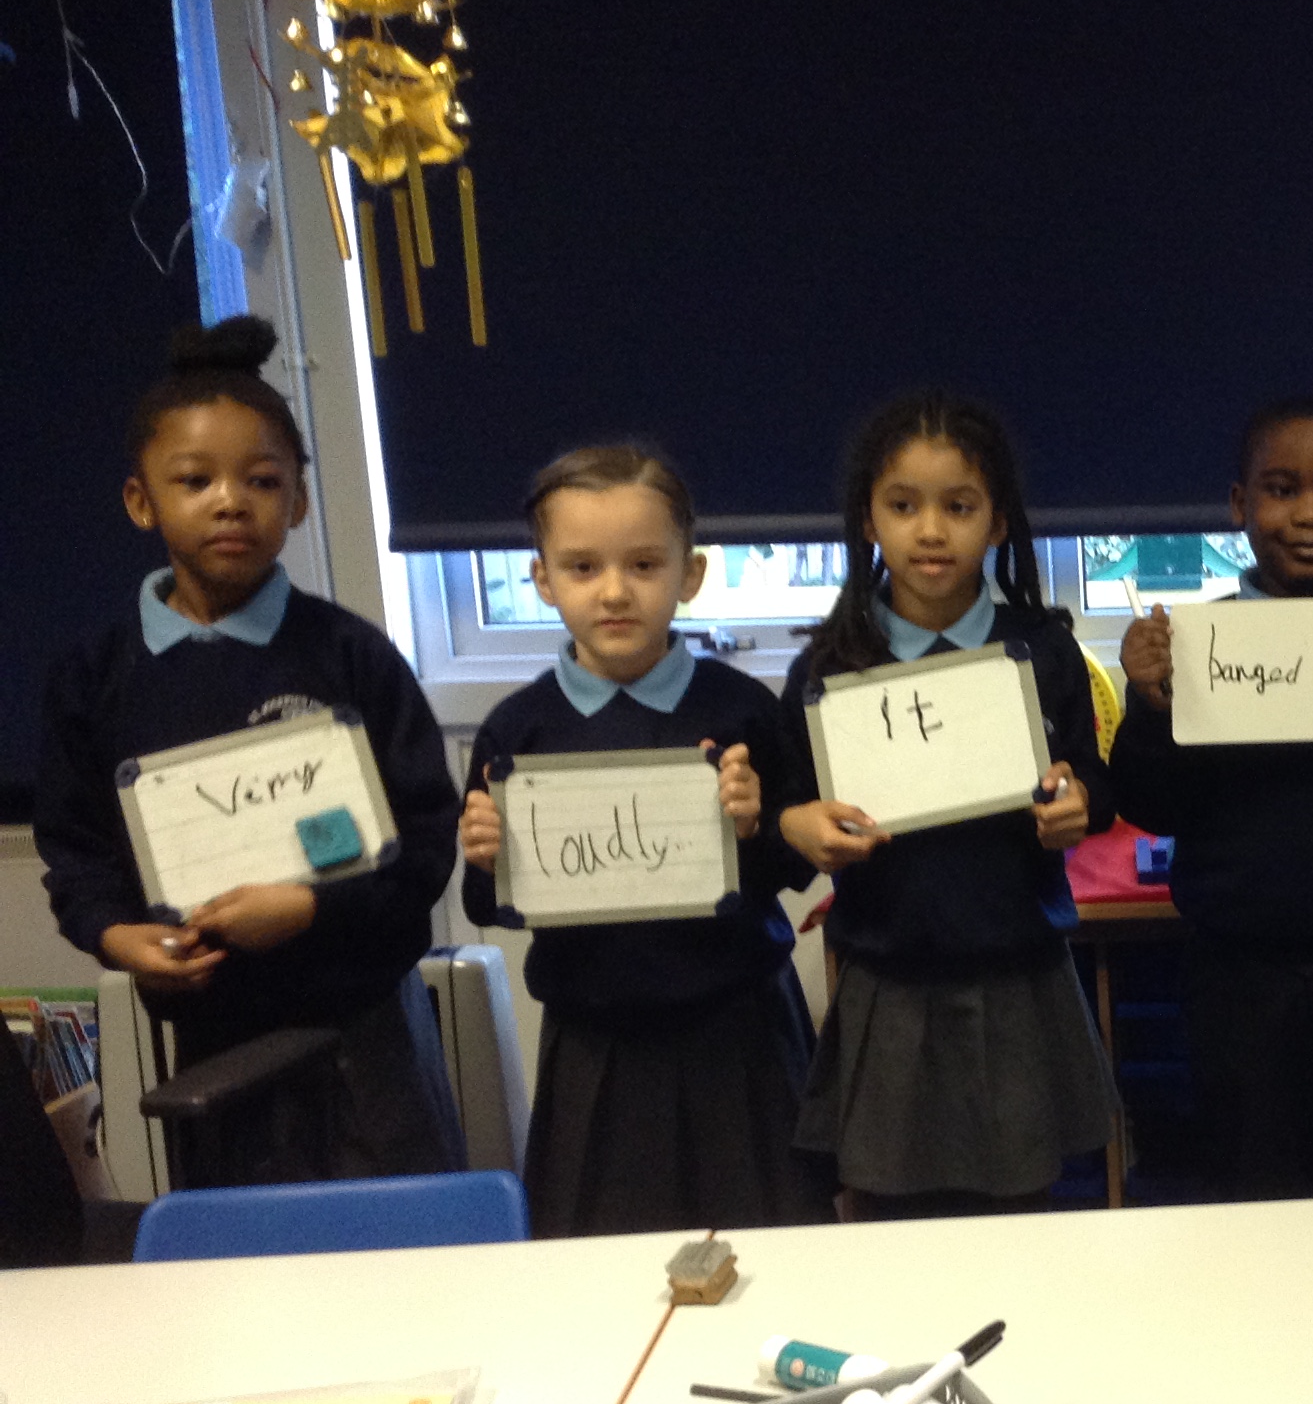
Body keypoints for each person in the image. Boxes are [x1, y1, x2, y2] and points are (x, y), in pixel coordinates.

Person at [34, 317, 462, 1181]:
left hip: (369, 1035)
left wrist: (310, 910)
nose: (230, 501)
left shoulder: (349, 657)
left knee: (400, 1240)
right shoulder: (95, 677)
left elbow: (424, 843)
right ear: (141, 501)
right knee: (242, 1251)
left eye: (262, 480)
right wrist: (117, 936)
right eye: (195, 480)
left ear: (297, 501)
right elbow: (76, 854)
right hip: (212, 1046)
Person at [457, 445, 827, 1236]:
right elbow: (488, 905)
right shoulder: (518, 730)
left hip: (742, 1035)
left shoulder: (742, 709)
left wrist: (755, 825)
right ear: (543, 580)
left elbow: (793, 865)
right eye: (583, 567)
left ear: (690, 574)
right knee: (604, 1258)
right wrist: (485, 857)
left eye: (644, 565)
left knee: (776, 1245)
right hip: (596, 1046)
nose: (615, 591)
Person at [777, 391, 1118, 1215]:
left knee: (1020, 1213)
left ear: (997, 523)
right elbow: (789, 806)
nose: (931, 531)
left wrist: (1079, 804)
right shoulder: (831, 664)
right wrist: (798, 825)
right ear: (869, 518)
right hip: (887, 984)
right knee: (886, 1215)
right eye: (904, 506)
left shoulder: (1043, 651)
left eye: (959, 507)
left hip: (1017, 977)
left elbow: (1092, 781)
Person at [1108, 397, 1313, 1243]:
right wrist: (1151, 706)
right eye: (1283, 490)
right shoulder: (1195, 641)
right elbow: (1148, 803)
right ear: (1239, 504)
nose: (1310, 516)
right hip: (1237, 983)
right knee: (1255, 1218)